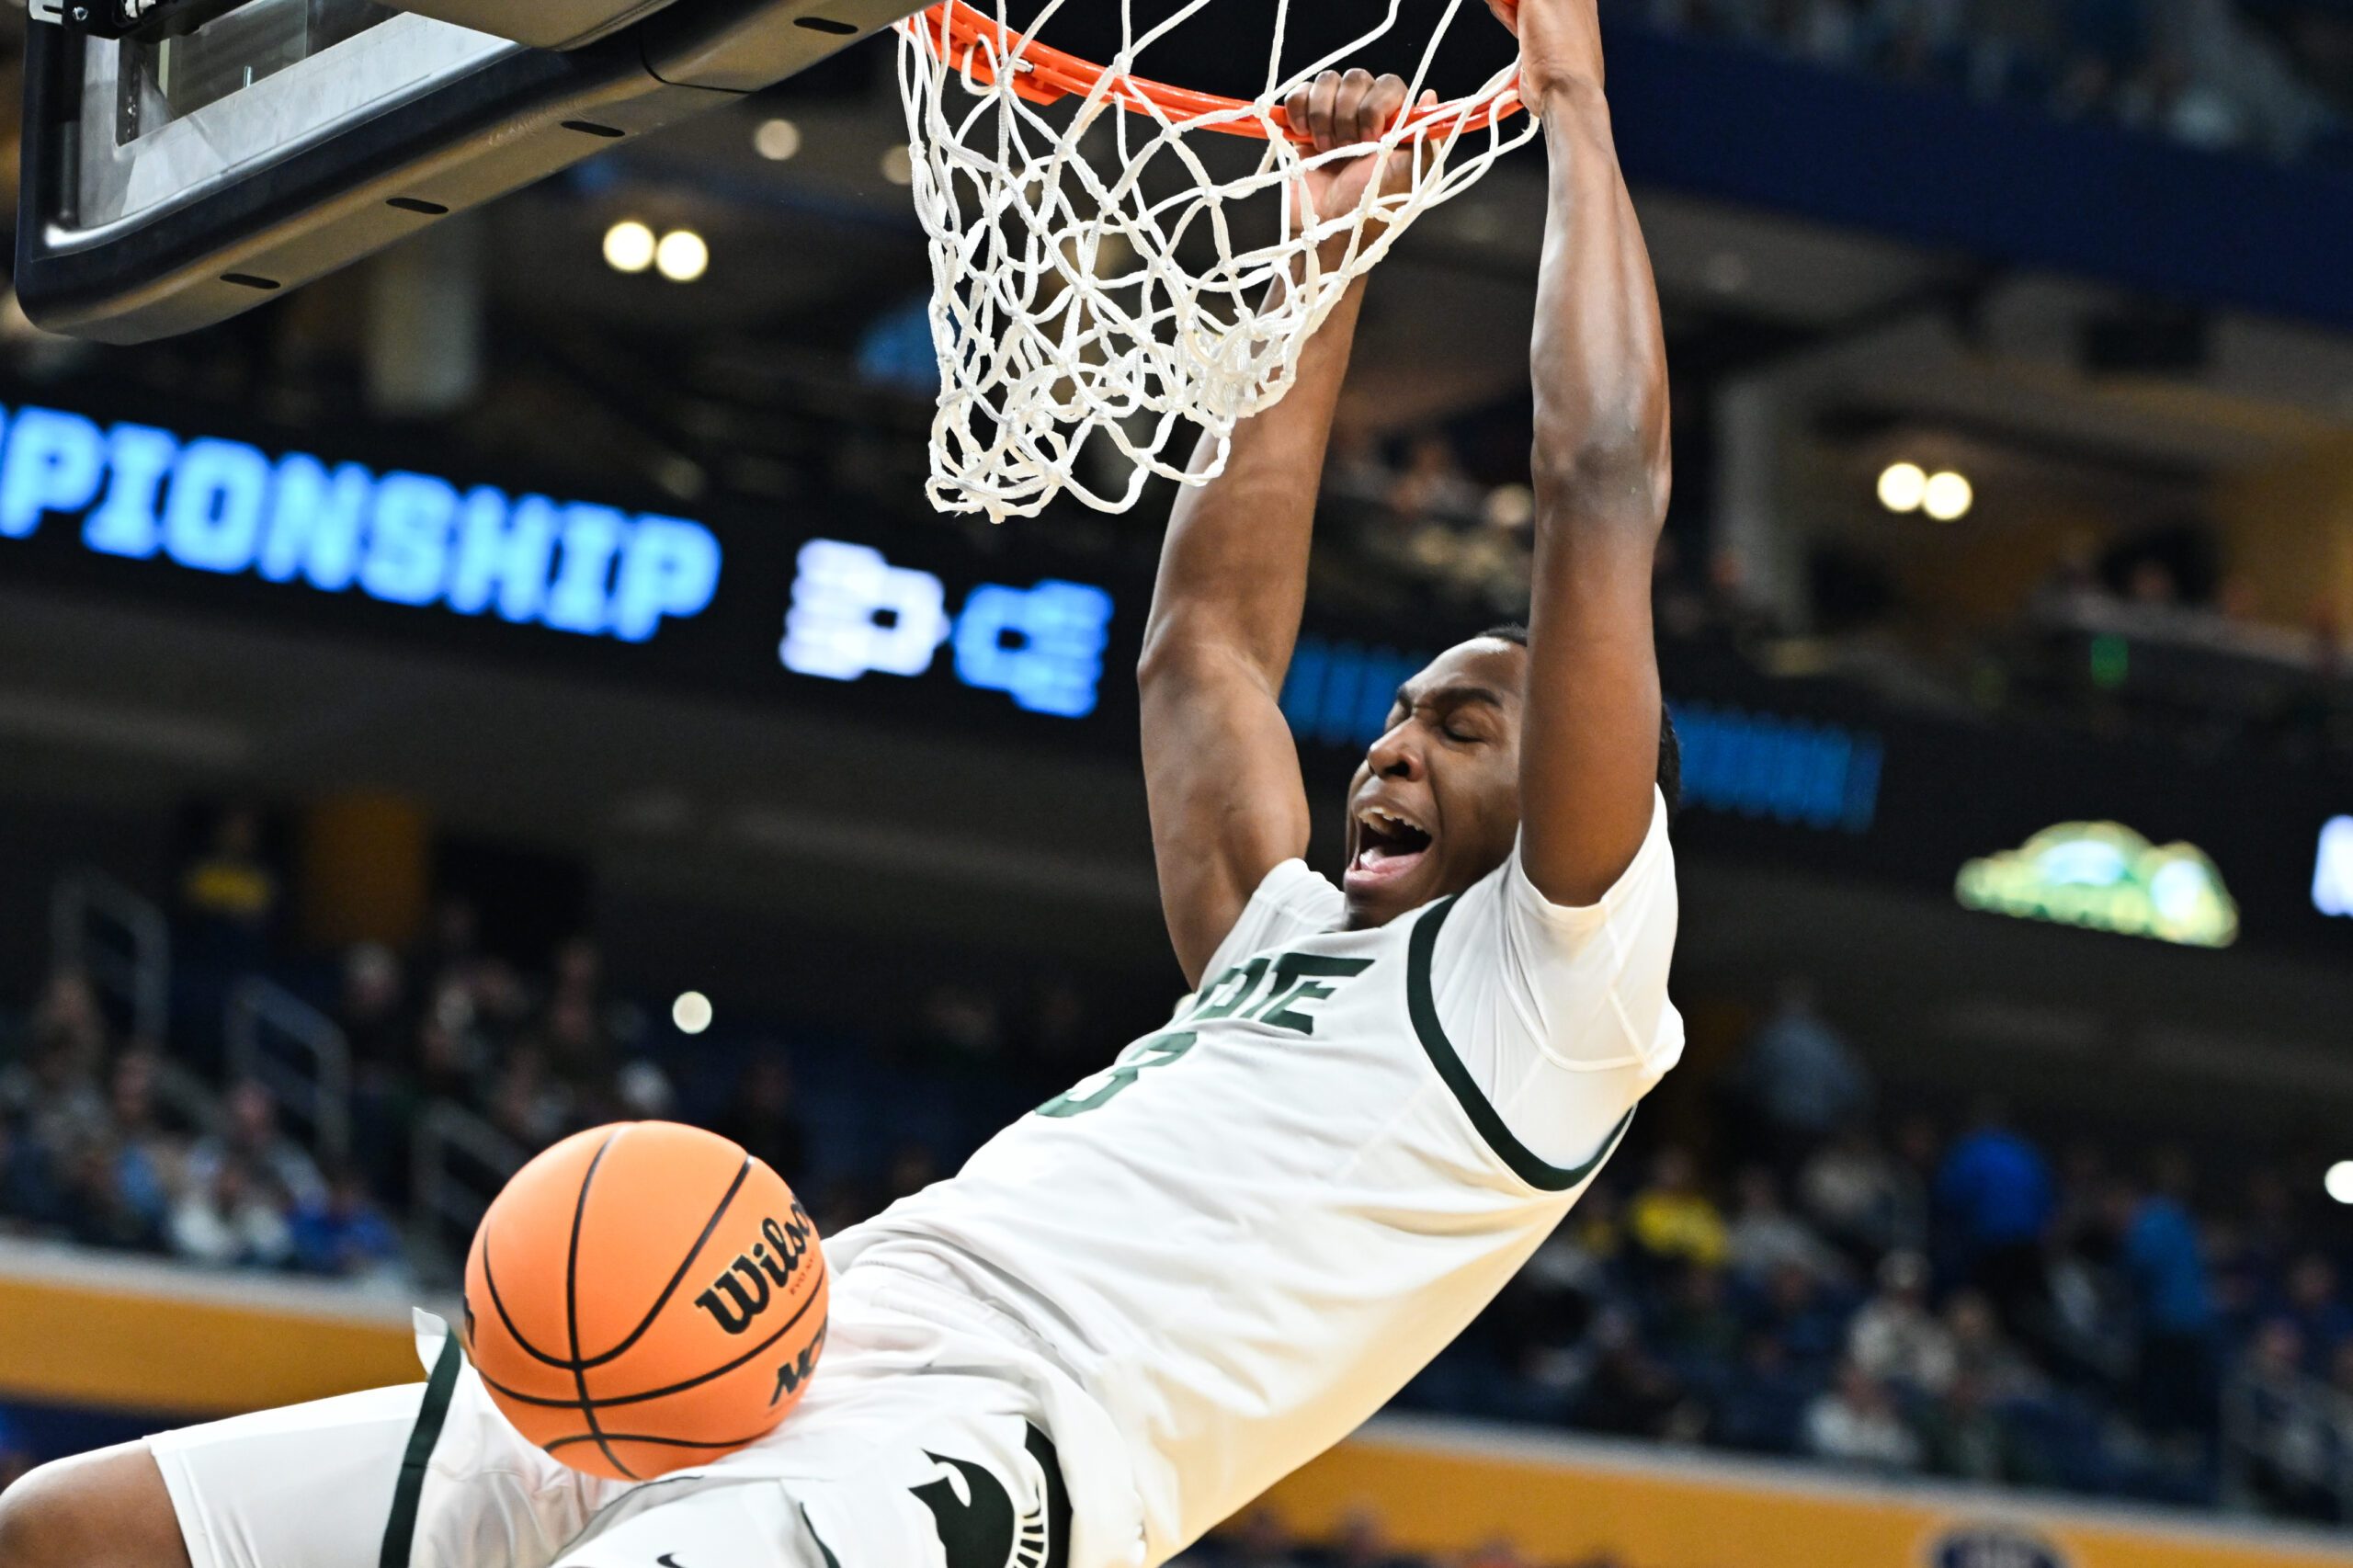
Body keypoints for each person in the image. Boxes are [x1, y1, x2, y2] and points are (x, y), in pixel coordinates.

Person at [0, 9, 1684, 1568]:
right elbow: (1205, 653)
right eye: (1397, 713)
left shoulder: (1560, 994)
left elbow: (1599, 479)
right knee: (67, 1527)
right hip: (753, 1342)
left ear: (1595, 793)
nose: (1390, 742)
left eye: (1462, 727)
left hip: (972, 1447)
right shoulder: (1283, 943)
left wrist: (1580, 116)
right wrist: (1323, 245)